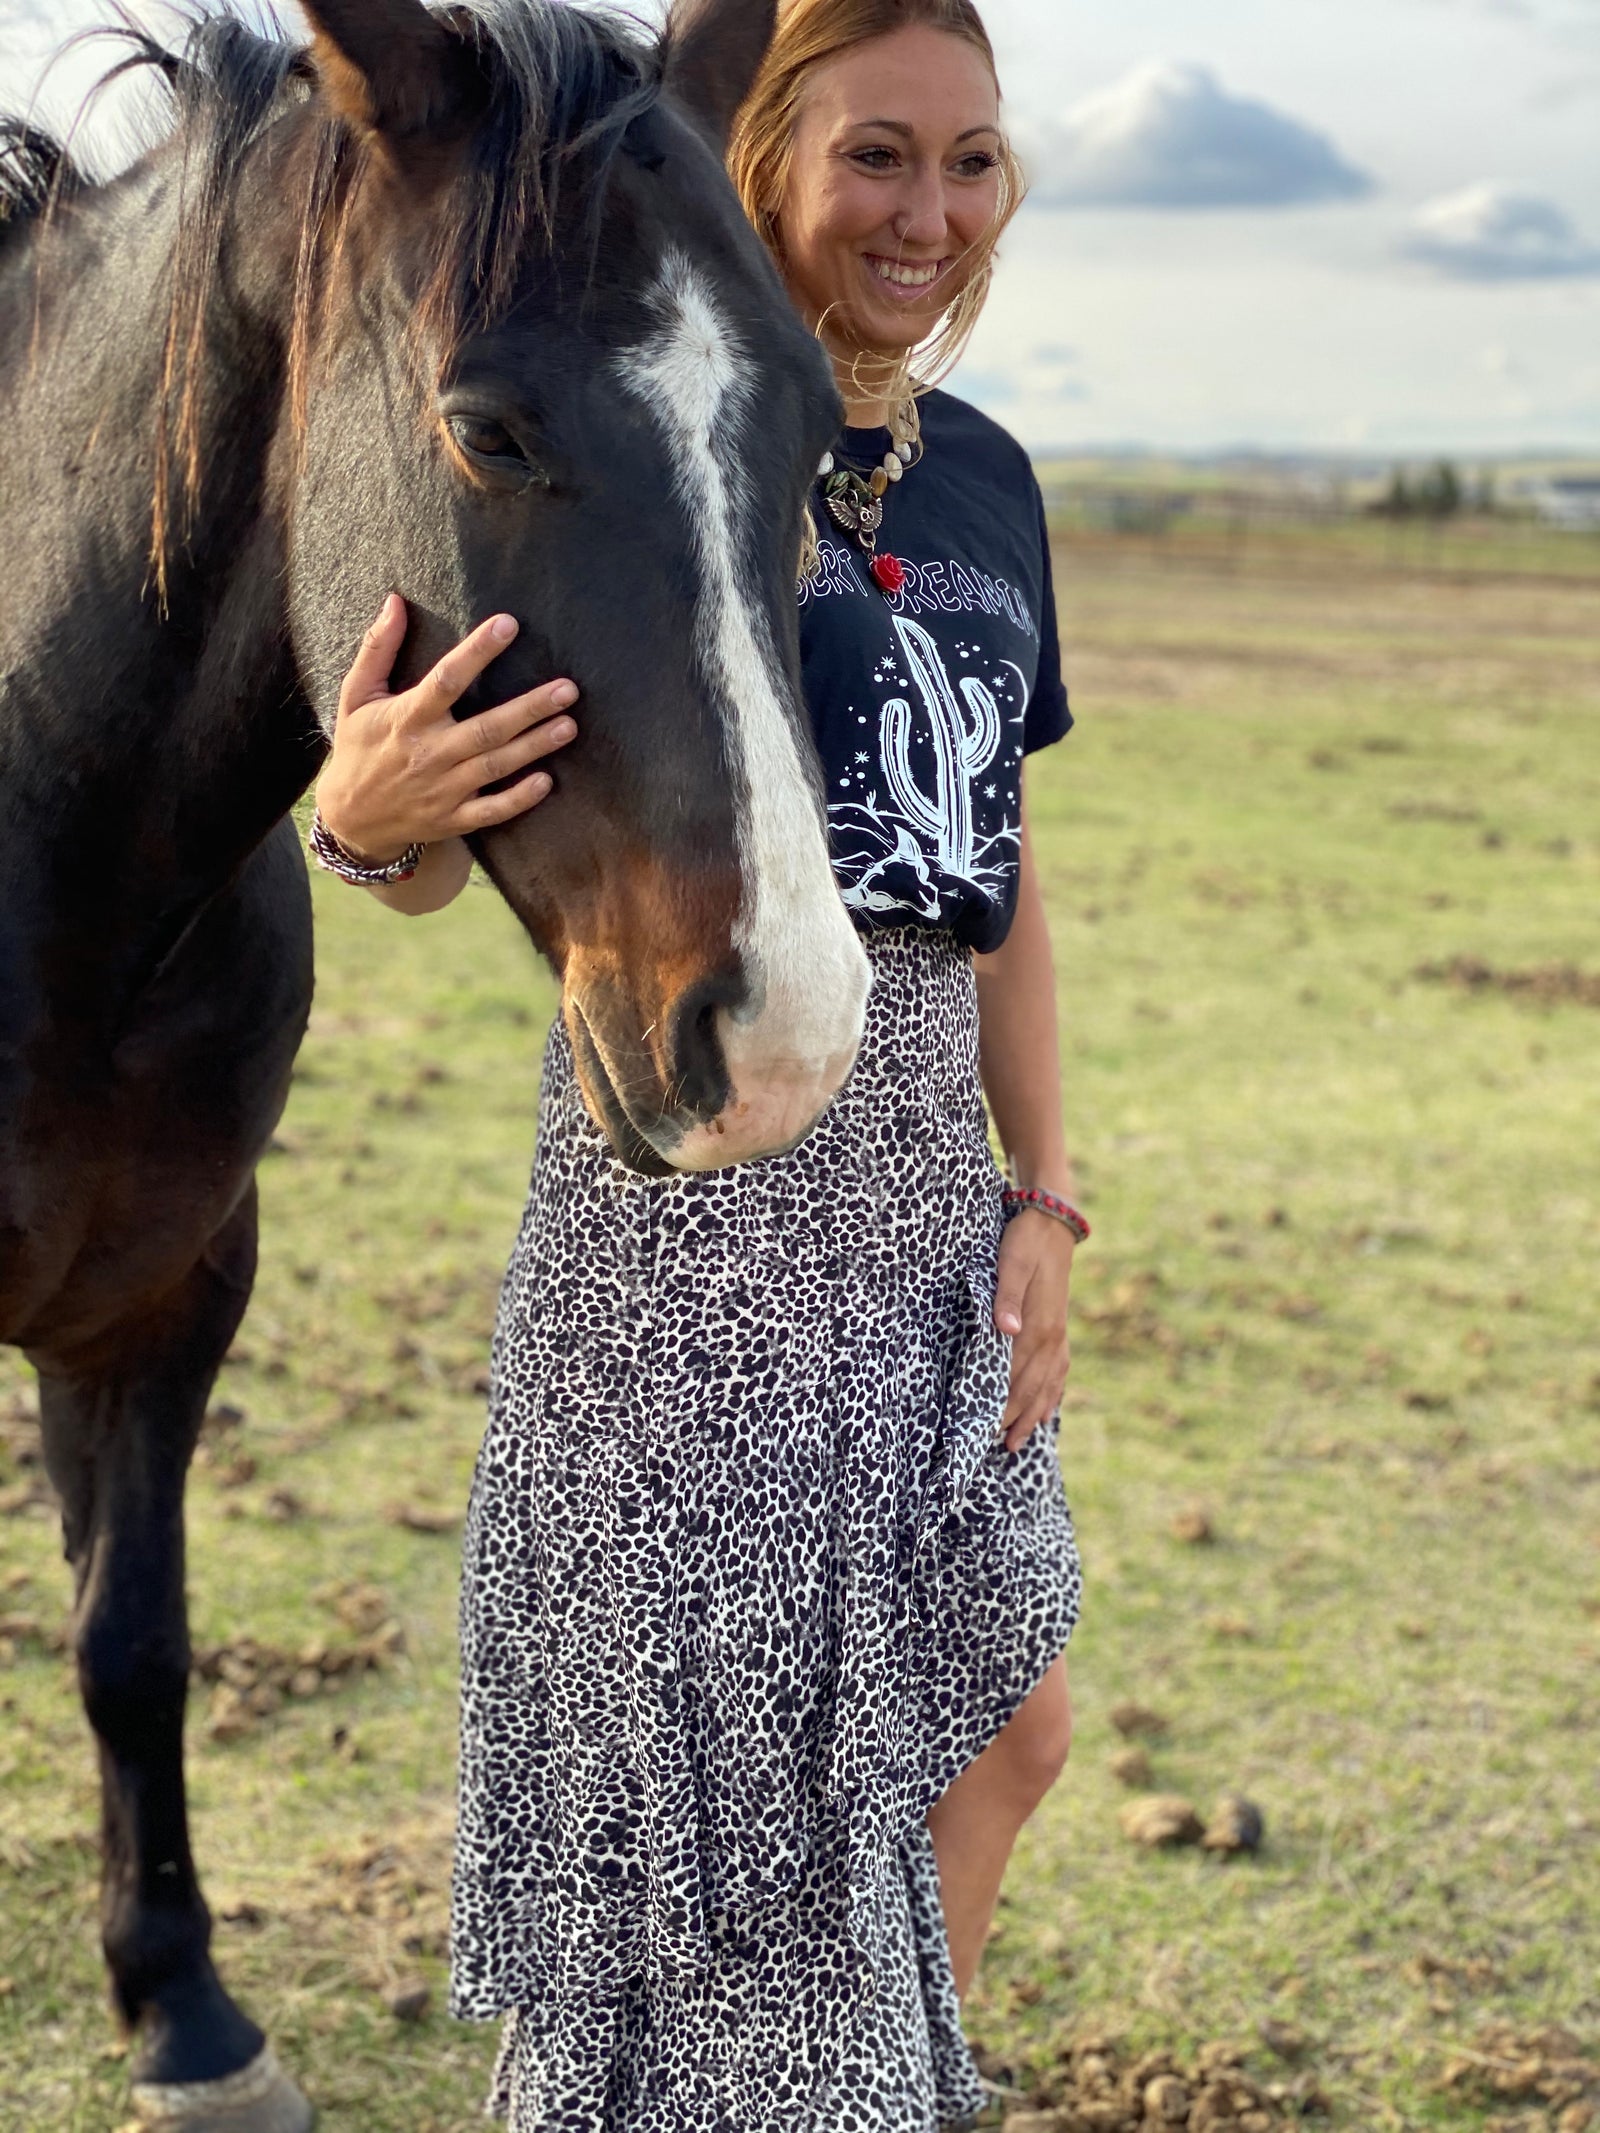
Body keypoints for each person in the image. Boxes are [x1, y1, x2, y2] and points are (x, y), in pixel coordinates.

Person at [311, 2, 1083, 2125]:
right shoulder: (661, 424)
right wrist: (361, 818)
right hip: (705, 1198)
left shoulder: (991, 475)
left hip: (925, 1169)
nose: (927, 209)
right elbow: (428, 806)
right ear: (763, 158)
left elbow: (1006, 879)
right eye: (874, 155)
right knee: (730, 1831)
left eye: (968, 158)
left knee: (999, 1712)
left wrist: (1048, 1191)